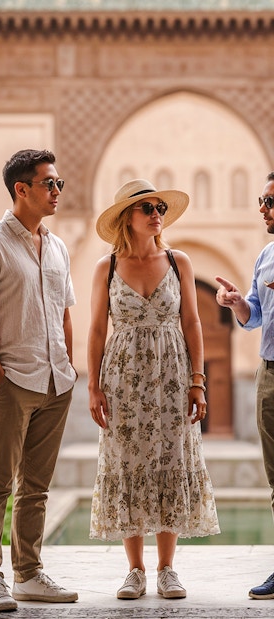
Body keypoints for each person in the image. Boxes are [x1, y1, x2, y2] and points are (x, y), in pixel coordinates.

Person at [88, 179, 220, 601]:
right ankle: (135, 570)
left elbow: (193, 323)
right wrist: (92, 385)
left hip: (172, 377)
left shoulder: (178, 261)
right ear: (127, 217)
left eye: (159, 206)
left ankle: (166, 568)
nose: (155, 213)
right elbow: (95, 329)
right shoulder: (105, 267)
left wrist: (198, 381)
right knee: (127, 463)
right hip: (123, 380)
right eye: (146, 207)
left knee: (170, 460)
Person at [0, 149, 78, 612]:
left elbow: (65, 310)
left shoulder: (58, 246)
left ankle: (28, 573)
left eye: (58, 183)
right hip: (10, 383)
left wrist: (67, 366)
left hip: (55, 382)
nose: (56, 191)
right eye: (49, 183)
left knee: (37, 487)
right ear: (21, 189)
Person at [215, 171, 274, 600]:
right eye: (261, 200)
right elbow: (254, 315)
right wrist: (239, 303)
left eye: (269, 202)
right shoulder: (266, 255)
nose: (262, 209)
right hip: (269, 373)